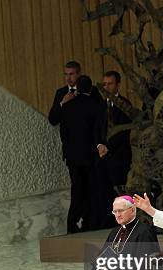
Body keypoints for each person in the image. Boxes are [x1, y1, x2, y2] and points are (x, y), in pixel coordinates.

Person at [48, 61, 103, 233]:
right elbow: (53, 119)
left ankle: (89, 222)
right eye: (66, 74)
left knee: (92, 187)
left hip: (90, 150)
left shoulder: (92, 92)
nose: (69, 78)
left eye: (72, 74)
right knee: (77, 186)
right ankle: (75, 223)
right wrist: (62, 103)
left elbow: (99, 119)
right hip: (72, 151)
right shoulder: (61, 93)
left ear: (78, 75)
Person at [91, 71, 135, 230]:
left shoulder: (124, 104)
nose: (107, 87)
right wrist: (99, 145)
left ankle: (126, 222)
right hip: (102, 156)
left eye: (110, 84)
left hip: (118, 156)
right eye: (104, 84)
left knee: (120, 190)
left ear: (117, 85)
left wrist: (109, 146)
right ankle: (108, 223)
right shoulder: (101, 105)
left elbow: (124, 131)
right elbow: (96, 129)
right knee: (103, 191)